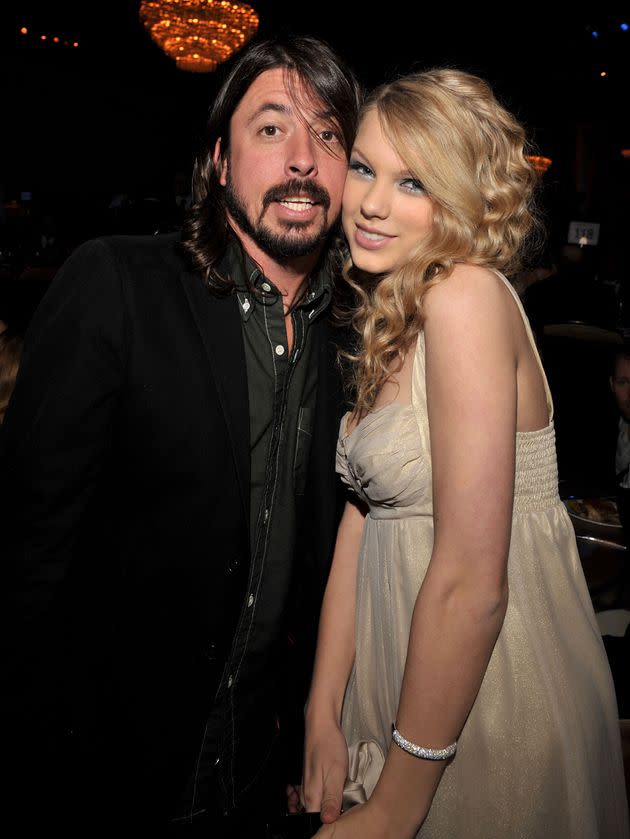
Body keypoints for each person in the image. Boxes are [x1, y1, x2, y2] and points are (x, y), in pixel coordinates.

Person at [0, 35, 362, 835]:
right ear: (220, 164)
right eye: (272, 128)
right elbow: (23, 554)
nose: (303, 158)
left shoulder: (360, 339)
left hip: (265, 780)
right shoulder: (115, 286)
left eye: (329, 134)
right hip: (103, 776)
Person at [300, 69, 630, 837]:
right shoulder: (399, 310)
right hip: (404, 672)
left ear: (461, 196)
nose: (372, 202)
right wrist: (323, 706)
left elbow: (474, 585)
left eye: (412, 180)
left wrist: (396, 805)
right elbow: (366, 518)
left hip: (485, 698)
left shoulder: (465, 296)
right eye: (364, 167)